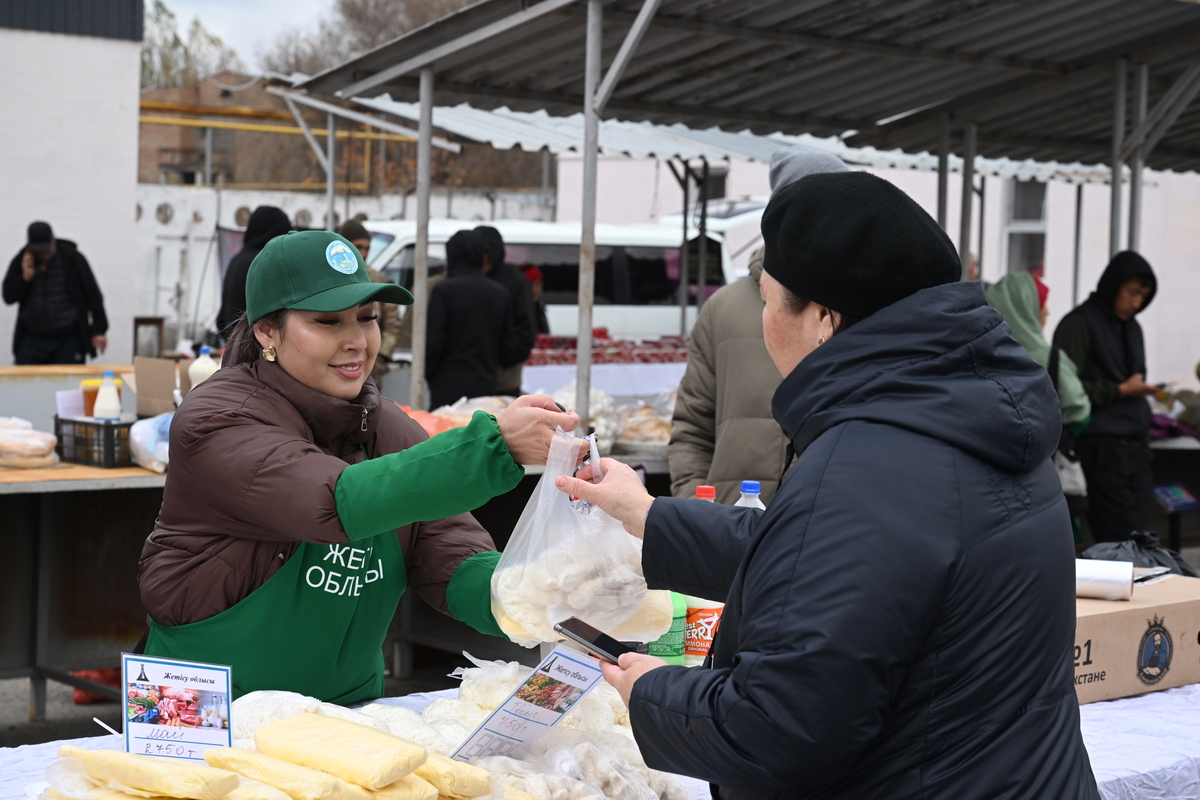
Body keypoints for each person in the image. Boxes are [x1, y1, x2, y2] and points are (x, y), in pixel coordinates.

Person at [557, 172, 1099, 799]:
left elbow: (776, 730)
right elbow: (837, 562)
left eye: (766, 300)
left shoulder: (870, 461)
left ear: (822, 319)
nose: (762, 320)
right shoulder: (965, 416)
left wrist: (652, 690)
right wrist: (648, 514)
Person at [138, 229, 578, 703]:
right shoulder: (218, 418)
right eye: (327, 322)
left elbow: (451, 556)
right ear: (267, 330)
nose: (356, 341)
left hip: (344, 713)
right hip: (202, 707)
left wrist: (545, 594)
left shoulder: (387, 426)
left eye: (366, 319)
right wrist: (495, 447)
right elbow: (332, 500)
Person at [670, 145, 848, 504]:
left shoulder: (858, 307)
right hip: (728, 536)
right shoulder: (725, 309)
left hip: (826, 537)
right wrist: (698, 513)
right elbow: (692, 428)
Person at [1052, 252, 1158, 543]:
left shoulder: (1132, 328)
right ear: (1115, 285)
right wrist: (1120, 390)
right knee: (1122, 541)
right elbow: (1063, 387)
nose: (1137, 303)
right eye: (1133, 293)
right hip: (1099, 449)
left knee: (1139, 541)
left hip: (1134, 452)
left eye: (1143, 296)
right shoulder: (1079, 323)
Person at [426, 230, 523, 409]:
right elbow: (508, 347)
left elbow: (434, 343)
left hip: (445, 385)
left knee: (445, 433)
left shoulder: (444, 291)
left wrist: (429, 374)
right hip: (485, 383)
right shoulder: (500, 293)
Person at [987, 271, 1091, 433]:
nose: (1047, 311)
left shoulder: (977, 354)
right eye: (1041, 303)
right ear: (1024, 307)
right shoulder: (1050, 358)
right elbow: (1079, 413)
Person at [3, 221, 108, 364]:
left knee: (70, 383)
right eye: (38, 249)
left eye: (46, 247)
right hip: (32, 337)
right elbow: (8, 297)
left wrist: (98, 330)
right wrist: (24, 279)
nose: (43, 252)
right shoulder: (21, 261)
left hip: (68, 337)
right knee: (25, 382)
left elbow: (93, 296)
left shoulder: (73, 258)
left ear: (53, 239)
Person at [339, 219, 402, 388]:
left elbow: (392, 323)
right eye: (358, 247)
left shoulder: (377, 280)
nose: (364, 253)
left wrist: (380, 357)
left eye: (367, 248)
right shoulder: (331, 281)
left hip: (370, 367)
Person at [475, 226, 537, 396]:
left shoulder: (516, 282)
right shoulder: (465, 279)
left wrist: (505, 358)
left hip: (503, 377)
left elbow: (525, 330)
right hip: (470, 377)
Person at [217, 206, 291, 337]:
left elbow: (222, 319)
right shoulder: (264, 263)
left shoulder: (238, 259)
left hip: (235, 345)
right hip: (257, 348)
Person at [522, 266, 550, 334]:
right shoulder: (515, 312)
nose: (538, 291)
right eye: (535, 285)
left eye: (540, 286)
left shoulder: (539, 310)